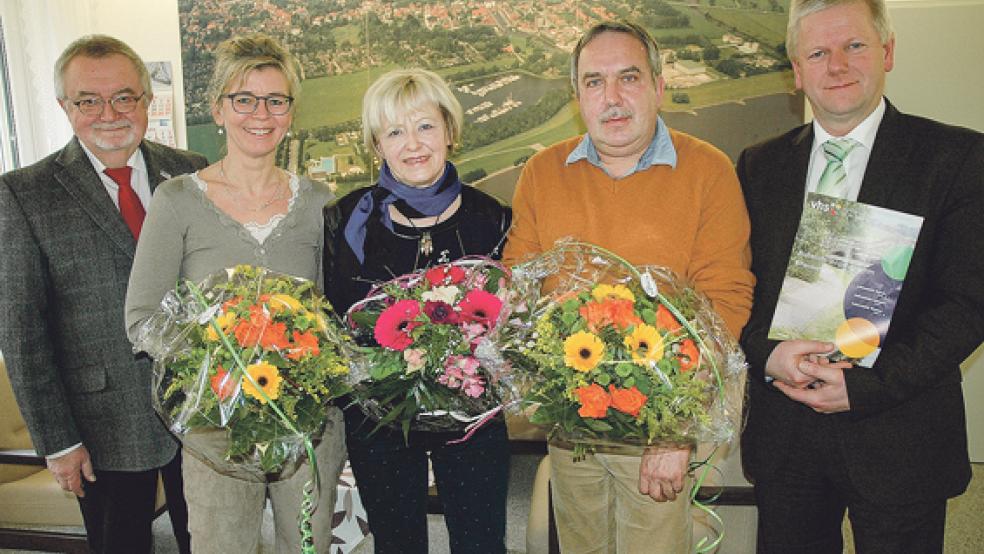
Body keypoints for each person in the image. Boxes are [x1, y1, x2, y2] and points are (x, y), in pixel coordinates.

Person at [737, 0, 984, 552]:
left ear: (887, 52)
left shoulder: (959, 157)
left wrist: (867, 385)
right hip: (787, 436)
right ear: (796, 71)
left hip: (900, 434)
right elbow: (739, 286)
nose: (838, 66)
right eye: (818, 53)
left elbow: (968, 302)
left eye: (854, 46)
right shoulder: (758, 164)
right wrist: (765, 352)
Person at [503, 21, 754, 554]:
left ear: (659, 86)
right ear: (577, 97)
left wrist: (676, 431)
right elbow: (518, 288)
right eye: (594, 82)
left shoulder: (708, 170)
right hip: (571, 424)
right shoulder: (542, 173)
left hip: (660, 432)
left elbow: (725, 301)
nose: (612, 98)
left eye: (629, 78)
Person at [124, 34, 343, 553]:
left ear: (291, 112)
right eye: (243, 99)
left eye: (276, 100)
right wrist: (213, 361)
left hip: (308, 427)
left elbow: (339, 316)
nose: (260, 114)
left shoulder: (320, 202)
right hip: (213, 431)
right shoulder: (176, 201)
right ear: (218, 110)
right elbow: (142, 318)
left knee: (307, 547)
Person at [0, 35, 206, 553]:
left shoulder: (192, 171)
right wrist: (58, 441)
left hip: (205, 409)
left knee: (212, 542)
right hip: (101, 427)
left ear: (146, 100)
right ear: (64, 107)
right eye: (88, 100)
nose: (109, 113)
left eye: (124, 97)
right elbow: (22, 331)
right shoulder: (24, 193)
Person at [323, 68, 512, 554]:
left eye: (426, 125)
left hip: (472, 415)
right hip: (379, 420)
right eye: (394, 131)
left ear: (450, 130)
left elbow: (511, 324)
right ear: (376, 145)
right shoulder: (346, 220)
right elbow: (335, 321)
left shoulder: (493, 217)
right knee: (398, 544)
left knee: (481, 543)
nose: (413, 144)